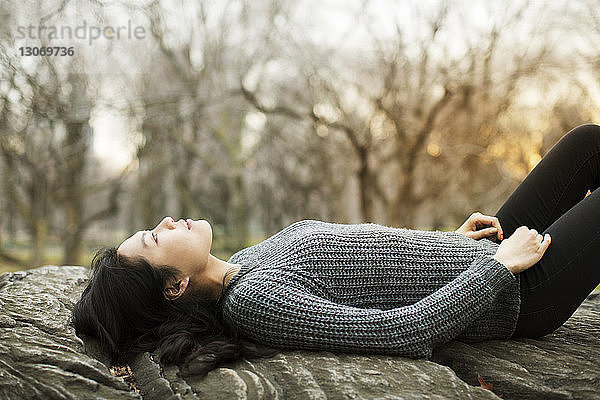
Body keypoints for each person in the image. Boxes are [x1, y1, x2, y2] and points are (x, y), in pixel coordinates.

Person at [72, 124, 600, 377]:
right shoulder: (254, 302)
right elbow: (399, 333)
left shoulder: (245, 263)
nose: (165, 221)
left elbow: (368, 266)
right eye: (155, 237)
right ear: (174, 285)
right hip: (517, 293)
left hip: (481, 252)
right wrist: (499, 270)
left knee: (586, 144)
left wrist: (449, 242)